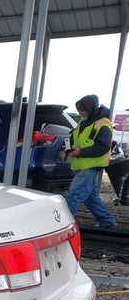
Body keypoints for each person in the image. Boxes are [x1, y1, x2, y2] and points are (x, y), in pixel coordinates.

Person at [64, 94, 118, 228]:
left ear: (91, 109)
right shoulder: (85, 122)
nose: (80, 113)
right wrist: (71, 149)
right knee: (91, 198)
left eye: (83, 110)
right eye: (79, 110)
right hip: (82, 164)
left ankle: (62, 226)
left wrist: (79, 152)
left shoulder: (103, 123)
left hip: (90, 165)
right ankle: (108, 223)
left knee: (74, 196)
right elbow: (78, 140)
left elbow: (103, 147)